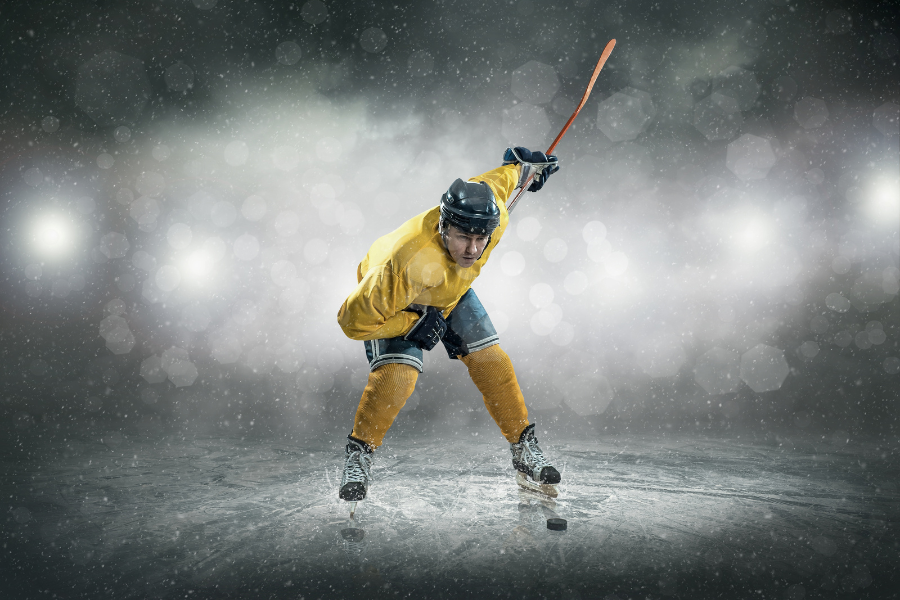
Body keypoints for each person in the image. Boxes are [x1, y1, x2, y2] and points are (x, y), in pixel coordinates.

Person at [335, 146, 561, 502]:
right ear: (443, 226)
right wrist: (413, 323)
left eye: (479, 239)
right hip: (401, 302)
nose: (472, 250)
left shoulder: (495, 217)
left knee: (493, 362)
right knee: (398, 377)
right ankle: (359, 455)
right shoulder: (403, 264)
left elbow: (500, 179)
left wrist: (526, 169)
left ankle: (523, 450)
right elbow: (352, 323)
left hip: (449, 292)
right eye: (462, 237)